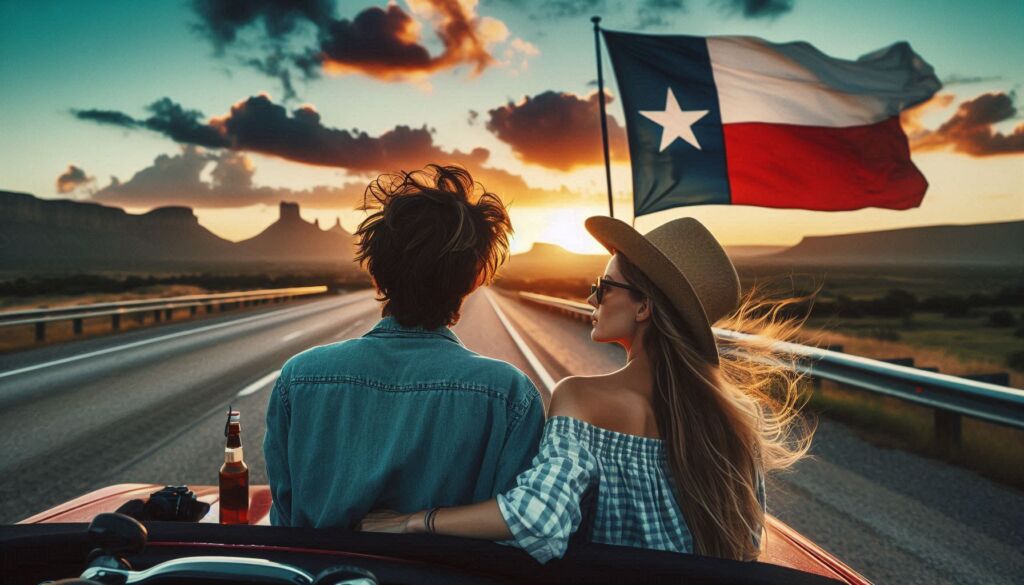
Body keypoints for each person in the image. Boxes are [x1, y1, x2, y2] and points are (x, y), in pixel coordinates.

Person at [359, 216, 813, 563]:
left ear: (644, 308)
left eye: (603, 286)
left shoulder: (581, 398)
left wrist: (412, 522)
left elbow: (537, 522)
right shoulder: (734, 423)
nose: (592, 299)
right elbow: (749, 545)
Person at [264, 164, 545, 528]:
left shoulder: (299, 377)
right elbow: (513, 527)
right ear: (475, 279)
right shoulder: (509, 394)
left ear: (376, 276)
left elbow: (286, 520)